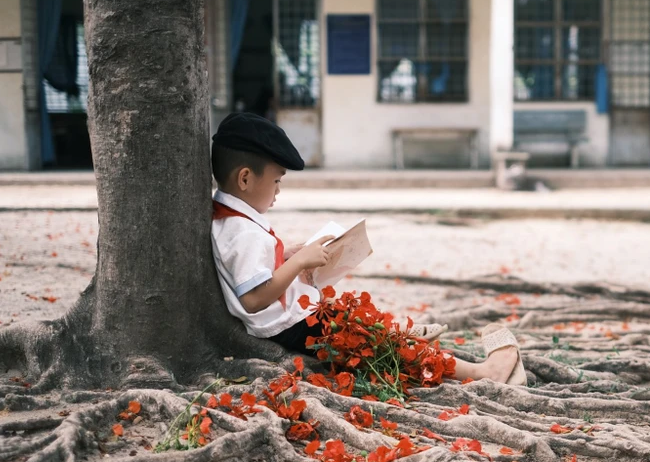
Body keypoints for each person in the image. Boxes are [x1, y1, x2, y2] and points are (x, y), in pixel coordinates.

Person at [209, 112, 526, 391]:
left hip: (296, 321)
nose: (278, 190)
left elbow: (255, 272)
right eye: (276, 181)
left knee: (370, 332)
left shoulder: (235, 221)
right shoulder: (242, 232)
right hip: (294, 328)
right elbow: (253, 299)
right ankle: (483, 373)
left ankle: (402, 337)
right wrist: (301, 262)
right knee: (378, 348)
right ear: (246, 178)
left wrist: (287, 256)